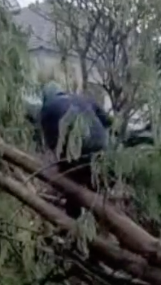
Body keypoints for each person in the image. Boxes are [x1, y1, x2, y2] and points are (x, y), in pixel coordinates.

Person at [35, 83, 113, 218]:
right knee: (94, 186)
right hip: (101, 150)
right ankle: (98, 218)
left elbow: (51, 142)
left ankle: (72, 221)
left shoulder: (47, 109)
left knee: (70, 184)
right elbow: (108, 121)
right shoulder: (83, 99)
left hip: (76, 152)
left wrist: (59, 165)